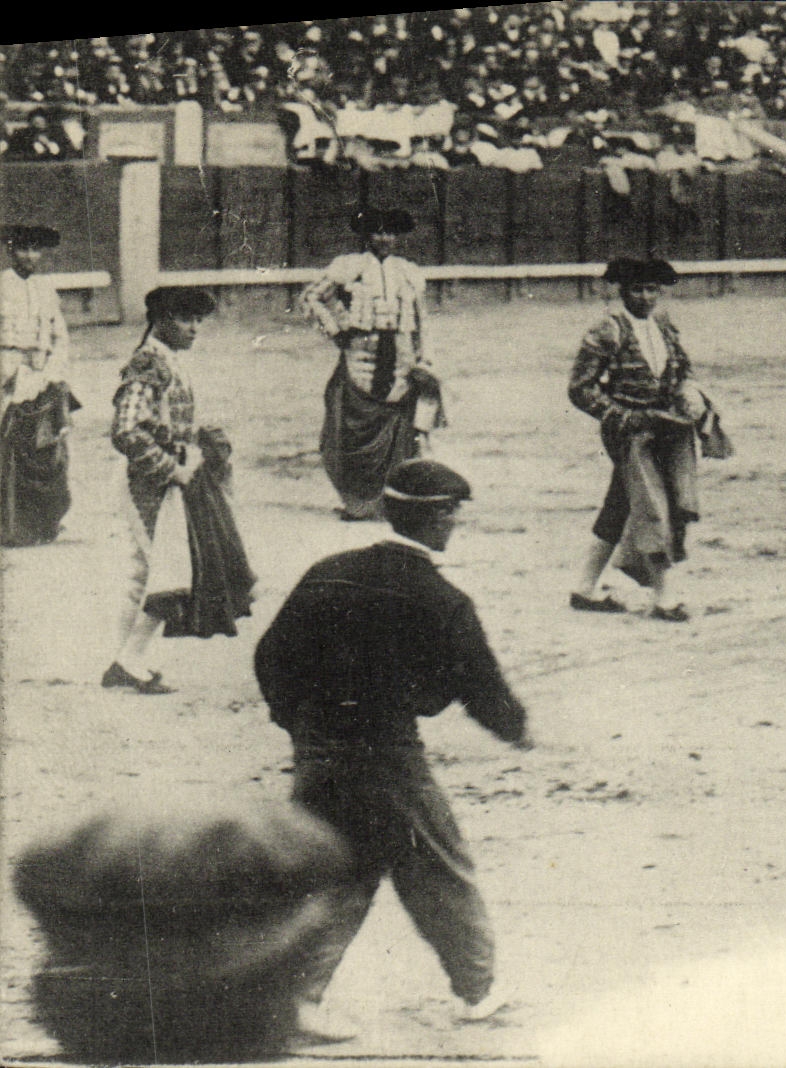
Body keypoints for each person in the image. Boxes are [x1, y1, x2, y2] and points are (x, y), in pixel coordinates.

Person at [253, 458, 533, 1038]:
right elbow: (481, 687)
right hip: (388, 756)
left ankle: (297, 996)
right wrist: (517, 730)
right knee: (437, 866)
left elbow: (271, 655)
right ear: (439, 518)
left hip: (319, 751)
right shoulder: (441, 599)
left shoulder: (328, 572)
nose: (456, 522)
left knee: (338, 870)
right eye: (453, 513)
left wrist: (299, 726)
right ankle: (478, 992)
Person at [568, 257, 729, 623]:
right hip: (629, 432)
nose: (645, 297)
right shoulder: (607, 331)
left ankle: (584, 589)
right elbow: (580, 389)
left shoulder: (663, 325)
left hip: (667, 429)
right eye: (637, 290)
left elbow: (682, 369)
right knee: (653, 506)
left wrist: (689, 390)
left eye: (651, 289)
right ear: (622, 292)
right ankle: (664, 599)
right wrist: (623, 417)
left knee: (622, 503)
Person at [105, 287, 244, 695]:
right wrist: (171, 469)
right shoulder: (149, 364)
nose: (194, 328)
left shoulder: (168, 360)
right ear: (162, 320)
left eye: (198, 320)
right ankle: (128, 662)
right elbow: (126, 430)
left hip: (167, 479)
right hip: (147, 481)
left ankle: (126, 660)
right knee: (167, 573)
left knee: (145, 572)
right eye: (186, 319)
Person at [301, 207, 442, 521]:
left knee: (403, 427)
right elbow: (311, 298)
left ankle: (392, 498)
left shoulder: (408, 271)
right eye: (378, 232)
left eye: (391, 232)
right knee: (352, 427)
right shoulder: (349, 267)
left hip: (401, 357)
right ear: (366, 236)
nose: (385, 238)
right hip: (361, 355)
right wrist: (339, 329)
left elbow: (422, 320)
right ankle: (359, 501)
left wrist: (426, 357)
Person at [0, 224, 77, 546]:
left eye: (35, 249)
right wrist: (13, 369)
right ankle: (11, 526)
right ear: (9, 250)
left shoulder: (46, 289)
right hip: (8, 375)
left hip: (44, 375)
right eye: (23, 248)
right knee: (10, 449)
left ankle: (45, 522)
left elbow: (60, 336)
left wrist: (53, 371)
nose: (30, 256)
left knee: (49, 449)